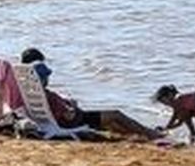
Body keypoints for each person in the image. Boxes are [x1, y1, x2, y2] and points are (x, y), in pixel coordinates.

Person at [20, 48, 162, 139]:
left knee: (110, 121)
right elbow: (67, 115)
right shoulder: (46, 92)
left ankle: (142, 133)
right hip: (74, 120)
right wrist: (70, 107)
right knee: (116, 114)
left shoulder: (26, 87)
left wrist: (66, 104)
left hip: (55, 120)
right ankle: (151, 134)